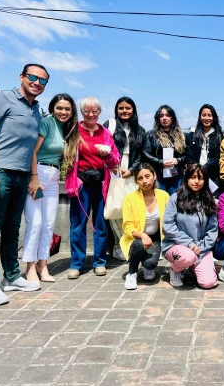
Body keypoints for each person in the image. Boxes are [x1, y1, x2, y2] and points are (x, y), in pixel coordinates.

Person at [0, 64, 48, 305]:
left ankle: (12, 276)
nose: (37, 82)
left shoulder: (36, 109)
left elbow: (31, 148)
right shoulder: (3, 98)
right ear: (22, 76)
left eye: (42, 80)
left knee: (12, 228)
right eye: (32, 77)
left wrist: (33, 176)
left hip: (21, 176)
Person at [23, 93, 79, 283]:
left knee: (48, 224)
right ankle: (30, 267)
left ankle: (43, 265)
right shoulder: (46, 123)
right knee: (35, 223)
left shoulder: (68, 129)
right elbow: (32, 151)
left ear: (72, 112)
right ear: (52, 108)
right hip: (37, 173)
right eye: (59, 108)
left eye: (67, 109)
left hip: (54, 177)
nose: (63, 112)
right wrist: (34, 178)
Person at [66, 97, 121, 280]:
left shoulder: (105, 133)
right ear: (81, 113)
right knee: (78, 225)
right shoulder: (74, 131)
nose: (91, 115)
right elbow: (66, 158)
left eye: (94, 111)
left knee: (100, 225)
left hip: (100, 183)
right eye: (87, 111)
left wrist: (108, 155)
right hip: (81, 183)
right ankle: (76, 263)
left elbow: (116, 161)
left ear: (99, 112)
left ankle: (99, 261)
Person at [161, 164, 219, 289]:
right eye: (192, 177)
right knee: (188, 257)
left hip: (201, 249)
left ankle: (193, 266)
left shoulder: (210, 202)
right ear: (186, 178)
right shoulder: (175, 198)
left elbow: (212, 231)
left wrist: (201, 248)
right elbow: (168, 227)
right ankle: (175, 269)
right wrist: (190, 244)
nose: (196, 181)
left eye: (201, 178)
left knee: (208, 283)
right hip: (175, 246)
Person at [103, 97, 146, 260]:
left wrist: (132, 170)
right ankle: (118, 245)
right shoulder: (110, 125)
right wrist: (114, 166)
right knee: (116, 209)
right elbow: (104, 147)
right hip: (114, 174)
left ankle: (133, 243)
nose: (124, 111)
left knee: (132, 210)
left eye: (128, 108)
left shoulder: (140, 130)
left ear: (133, 110)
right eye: (121, 108)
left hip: (132, 175)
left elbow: (142, 154)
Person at [121, 164, 170, 290]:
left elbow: (170, 219)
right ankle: (132, 273)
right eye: (140, 178)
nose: (144, 181)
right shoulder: (130, 199)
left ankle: (148, 267)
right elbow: (127, 226)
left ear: (154, 176)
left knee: (150, 263)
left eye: (147, 176)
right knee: (138, 244)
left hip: (155, 239)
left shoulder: (164, 195)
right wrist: (142, 235)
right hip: (136, 238)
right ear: (136, 181)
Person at [142, 105, 186, 194]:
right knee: (160, 200)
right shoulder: (151, 134)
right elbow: (145, 154)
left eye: (168, 115)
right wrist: (160, 162)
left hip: (176, 174)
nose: (164, 118)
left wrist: (178, 160)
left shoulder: (181, 135)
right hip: (157, 174)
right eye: (161, 116)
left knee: (175, 200)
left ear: (172, 117)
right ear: (157, 119)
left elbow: (187, 155)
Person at [185, 104, 224, 190]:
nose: (206, 118)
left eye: (209, 115)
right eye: (204, 115)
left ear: (213, 117)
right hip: (195, 175)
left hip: (213, 176)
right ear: (199, 117)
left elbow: (218, 157)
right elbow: (189, 157)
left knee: (213, 201)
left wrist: (203, 168)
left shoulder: (219, 135)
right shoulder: (191, 135)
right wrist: (196, 170)